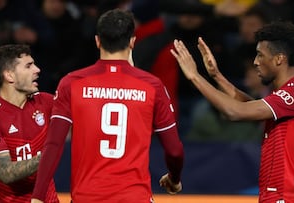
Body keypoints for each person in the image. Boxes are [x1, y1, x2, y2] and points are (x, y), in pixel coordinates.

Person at [31, 8, 184, 203]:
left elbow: (54, 144)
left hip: (87, 197)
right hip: (134, 198)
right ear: (132, 42)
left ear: (97, 41)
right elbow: (174, 150)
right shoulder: (152, 86)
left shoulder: (72, 83)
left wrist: (37, 196)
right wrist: (174, 178)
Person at [171, 21, 294, 202]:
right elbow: (250, 106)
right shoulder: (288, 92)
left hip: (286, 197)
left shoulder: (293, 94)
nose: (255, 62)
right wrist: (216, 76)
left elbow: (235, 112)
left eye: (260, 55)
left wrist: (195, 76)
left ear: (279, 59)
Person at [0, 44, 59, 202]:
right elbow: (5, 172)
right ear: (9, 76)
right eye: (28, 66)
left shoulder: (45, 102)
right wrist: (46, 157)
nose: (37, 70)